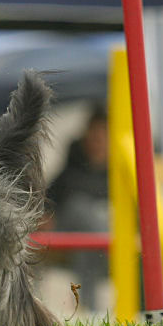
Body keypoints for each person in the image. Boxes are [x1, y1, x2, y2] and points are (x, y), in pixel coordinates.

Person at [45, 104, 110, 314]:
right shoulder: (71, 169)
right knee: (82, 211)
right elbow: (47, 200)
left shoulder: (122, 174)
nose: (98, 141)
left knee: (89, 238)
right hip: (71, 236)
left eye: (104, 135)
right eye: (95, 135)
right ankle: (90, 308)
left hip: (95, 242)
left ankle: (88, 307)